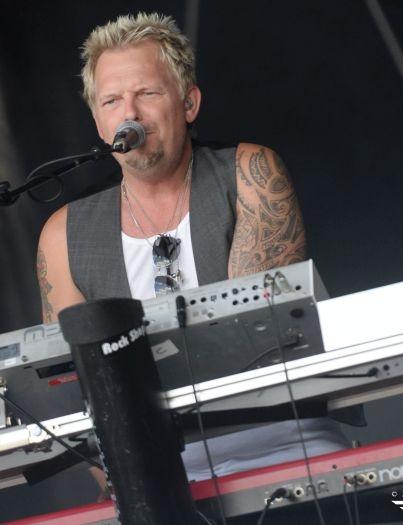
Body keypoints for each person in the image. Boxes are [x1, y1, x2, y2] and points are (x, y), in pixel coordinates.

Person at [37, 12, 349, 482]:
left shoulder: (249, 173)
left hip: (287, 448)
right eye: (112, 100)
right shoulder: (63, 234)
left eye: (147, 93)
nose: (129, 113)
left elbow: (254, 340)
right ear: (99, 123)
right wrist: (131, 495)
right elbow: (77, 393)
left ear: (188, 103)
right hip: (160, 479)